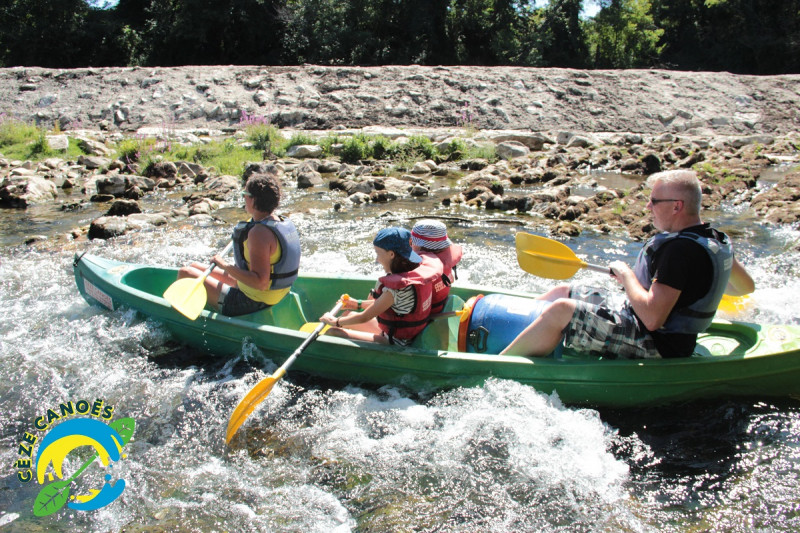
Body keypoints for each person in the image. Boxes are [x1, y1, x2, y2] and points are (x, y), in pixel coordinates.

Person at [501, 169, 754, 359]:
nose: (648, 206)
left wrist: (626, 275)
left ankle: (500, 365)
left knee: (562, 310)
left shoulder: (679, 251)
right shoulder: (712, 241)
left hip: (657, 344)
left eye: (655, 201)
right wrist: (701, 288)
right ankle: (506, 326)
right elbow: (744, 287)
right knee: (562, 292)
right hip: (643, 322)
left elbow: (652, 318)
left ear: (677, 206)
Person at [176, 172, 301, 316]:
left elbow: (260, 283)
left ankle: (181, 318)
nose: (243, 198)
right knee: (194, 267)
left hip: (252, 301)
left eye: (245, 194)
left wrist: (224, 266)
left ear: (253, 200)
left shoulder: (259, 233)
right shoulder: (278, 221)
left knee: (185, 273)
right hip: (273, 294)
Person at [319, 227, 441, 345]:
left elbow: (364, 317)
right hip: (402, 333)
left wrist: (334, 321)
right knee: (348, 315)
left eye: (378, 253)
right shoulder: (416, 274)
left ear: (391, 254)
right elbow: (387, 304)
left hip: (395, 342)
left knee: (333, 332)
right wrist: (358, 304)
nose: (377, 259)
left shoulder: (396, 289)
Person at [410, 219, 463, 315]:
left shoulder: (419, 268)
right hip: (441, 305)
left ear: (419, 246)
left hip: (428, 314)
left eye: (412, 242)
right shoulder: (445, 258)